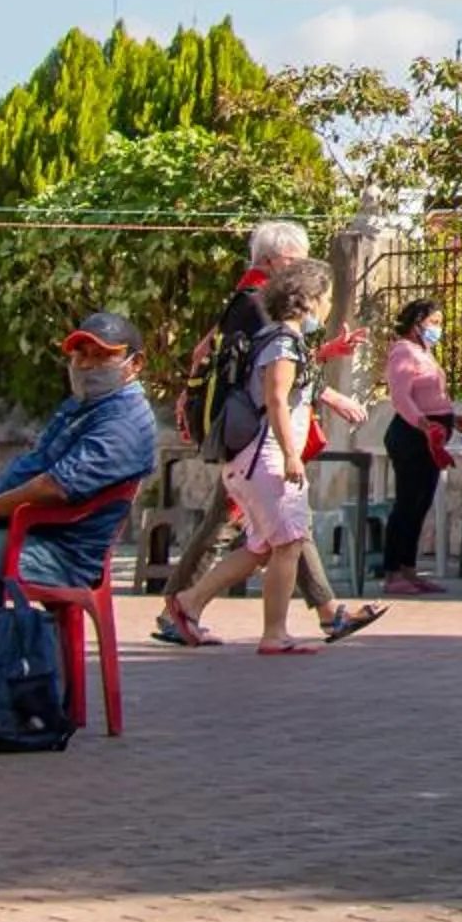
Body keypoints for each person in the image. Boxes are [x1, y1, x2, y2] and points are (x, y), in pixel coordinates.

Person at [155, 219, 380, 646]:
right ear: (273, 260)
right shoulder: (260, 305)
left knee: (273, 539)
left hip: (253, 444)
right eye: (296, 261)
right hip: (260, 445)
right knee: (276, 533)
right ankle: (192, 609)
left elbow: (254, 360)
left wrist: (325, 355)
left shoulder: (252, 303)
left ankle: (188, 605)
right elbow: (276, 380)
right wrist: (323, 407)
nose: (300, 271)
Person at [0, 311, 158, 597]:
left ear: (135, 363)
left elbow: (55, 487)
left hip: (60, 550)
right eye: (81, 356)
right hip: (24, 532)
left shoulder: (124, 423)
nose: (87, 365)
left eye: (101, 356)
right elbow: (35, 463)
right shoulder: (86, 406)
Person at [381, 297, 459, 593]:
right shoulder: (403, 351)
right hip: (412, 436)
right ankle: (392, 572)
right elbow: (401, 397)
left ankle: (409, 569)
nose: (438, 329)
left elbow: (431, 395)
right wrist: (424, 424)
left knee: (421, 503)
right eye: (433, 323)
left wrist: (454, 418)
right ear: (416, 324)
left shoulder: (425, 353)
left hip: (432, 436)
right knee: (407, 503)